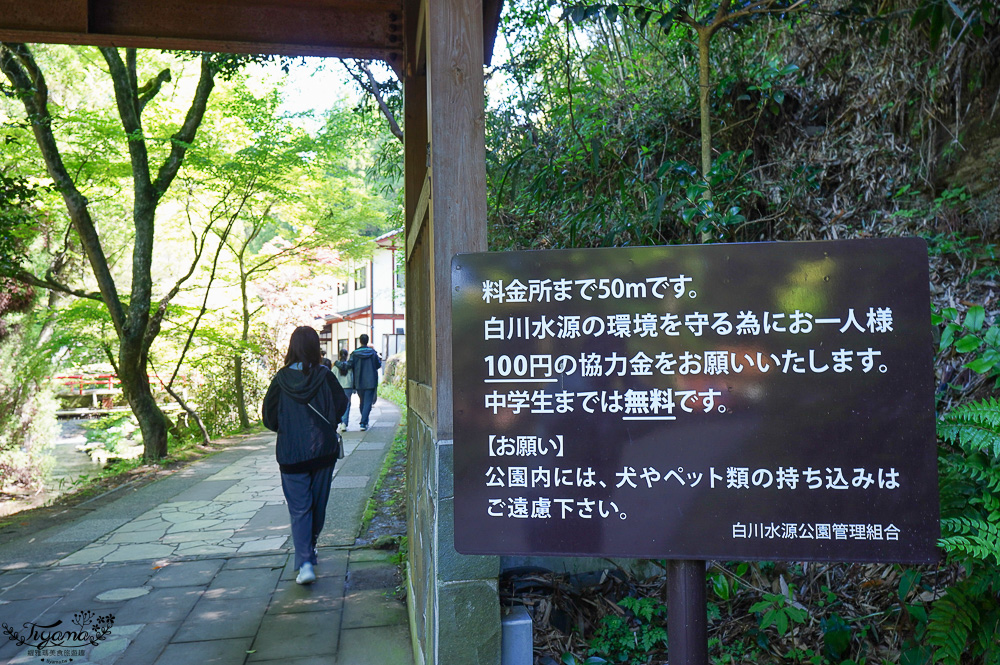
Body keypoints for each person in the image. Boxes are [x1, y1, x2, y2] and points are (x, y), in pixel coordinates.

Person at [262, 326, 347, 585]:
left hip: (291, 454)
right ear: (314, 347)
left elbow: (268, 417)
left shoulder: (281, 379)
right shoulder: (325, 375)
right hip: (323, 451)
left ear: (292, 347)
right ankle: (309, 550)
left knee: (300, 509)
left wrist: (287, 429)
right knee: (318, 505)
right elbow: (341, 405)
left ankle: (305, 562)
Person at [344, 333, 381, 431]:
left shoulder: (355, 353)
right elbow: (378, 365)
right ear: (367, 341)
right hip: (371, 381)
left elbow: (349, 365)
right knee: (368, 402)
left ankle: (364, 421)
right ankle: (364, 423)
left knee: (362, 401)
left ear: (360, 341)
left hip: (359, 381)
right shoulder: (373, 353)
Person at [333, 348, 354, 430]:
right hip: (348, 387)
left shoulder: (335, 366)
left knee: (338, 405)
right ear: (347, 355)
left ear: (339, 355)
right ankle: (344, 423)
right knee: (347, 405)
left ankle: (340, 421)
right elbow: (352, 377)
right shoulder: (349, 366)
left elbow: (332, 376)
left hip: (338, 387)